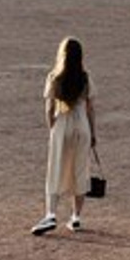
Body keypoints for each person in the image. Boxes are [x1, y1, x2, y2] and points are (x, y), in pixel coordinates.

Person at [30, 35, 99, 235]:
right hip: (82, 125)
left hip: (63, 123)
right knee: (80, 170)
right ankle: (75, 217)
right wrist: (93, 133)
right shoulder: (85, 77)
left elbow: (49, 107)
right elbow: (91, 108)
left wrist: (52, 127)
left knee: (55, 169)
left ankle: (51, 214)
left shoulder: (54, 77)